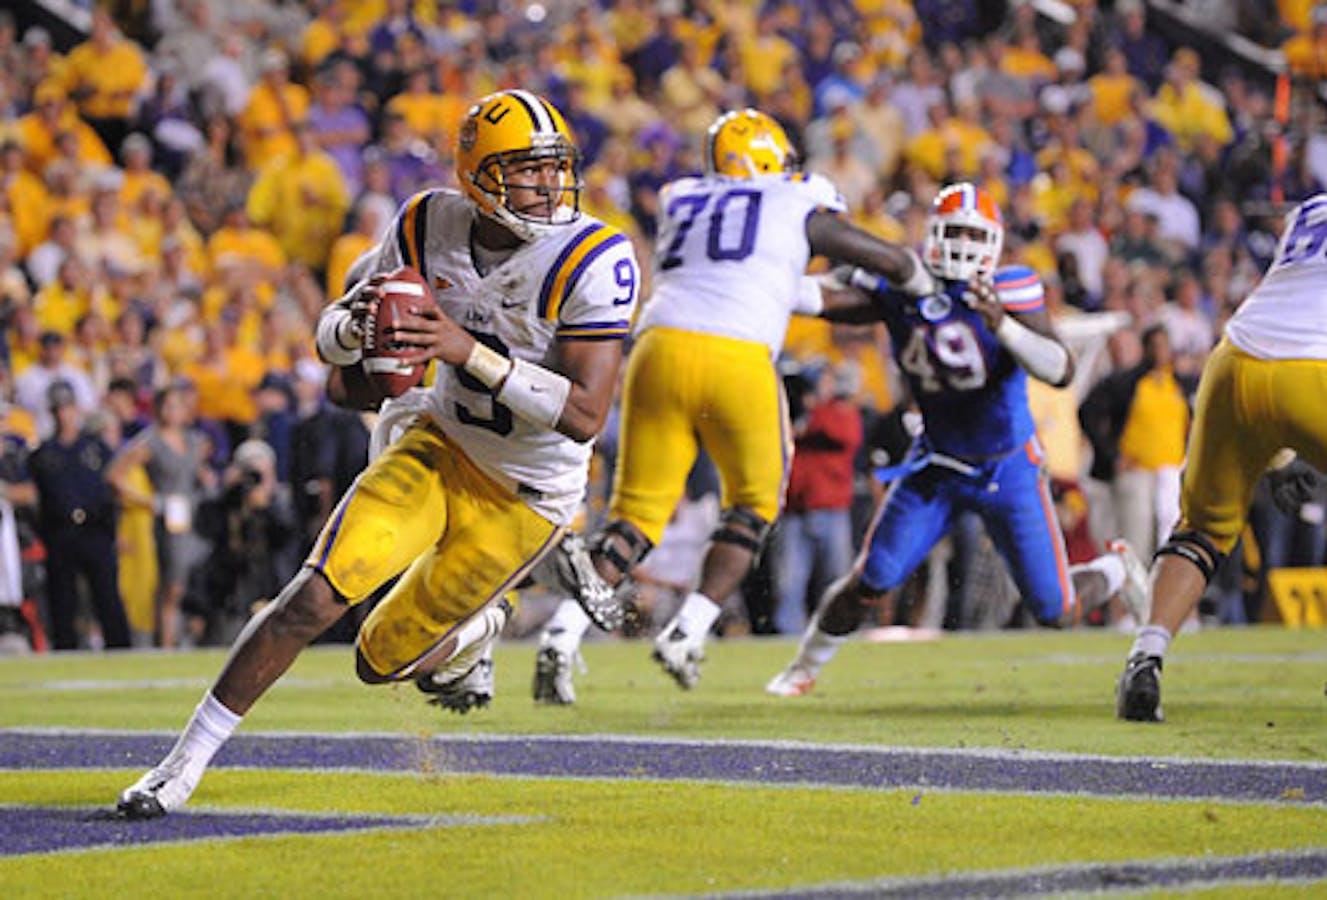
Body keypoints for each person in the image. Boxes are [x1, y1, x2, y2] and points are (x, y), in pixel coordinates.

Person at [116, 89, 640, 818]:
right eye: (526, 171)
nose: (548, 186)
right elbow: (341, 346)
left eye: (554, 169)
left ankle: (487, 622)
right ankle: (178, 768)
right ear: (479, 177)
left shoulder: (593, 256)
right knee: (314, 596)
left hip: (528, 492)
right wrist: (351, 331)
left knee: (378, 660)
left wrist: (461, 350)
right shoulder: (426, 221)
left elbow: (584, 414)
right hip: (441, 443)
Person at [533, 107, 936, 703]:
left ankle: (561, 634)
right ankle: (688, 630)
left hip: (656, 349)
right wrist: (921, 291)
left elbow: (776, 284)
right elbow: (891, 262)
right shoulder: (795, 199)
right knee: (753, 503)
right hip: (735, 355)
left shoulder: (681, 197)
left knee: (634, 518)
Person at [765, 183, 1150, 698]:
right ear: (933, 237)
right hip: (937, 465)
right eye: (955, 232)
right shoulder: (904, 290)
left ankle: (1112, 568)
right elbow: (819, 299)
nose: (964, 244)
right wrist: (760, 279)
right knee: (871, 579)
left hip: (1006, 467)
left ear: (993, 242)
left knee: (1056, 611)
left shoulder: (1010, 287)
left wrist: (1003, 328)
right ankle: (803, 668)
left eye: (974, 233)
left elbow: (1060, 369)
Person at [1116, 193, 1327, 722]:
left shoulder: (1311, 210)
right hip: (1313, 366)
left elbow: (1287, 320)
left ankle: (1146, 657)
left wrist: (1280, 453)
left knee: (1200, 532)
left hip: (1234, 360)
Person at [29, 381, 131, 651]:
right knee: (62, 599)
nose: (64, 414)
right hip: (61, 530)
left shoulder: (96, 449)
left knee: (107, 595)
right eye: (58, 409)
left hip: (95, 529)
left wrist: (115, 528)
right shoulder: (42, 454)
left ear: (76, 410)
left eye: (68, 408)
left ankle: (121, 649)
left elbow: (113, 487)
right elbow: (36, 496)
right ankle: (65, 649)